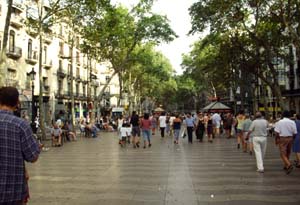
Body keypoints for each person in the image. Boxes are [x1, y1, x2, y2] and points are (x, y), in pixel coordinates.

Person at [0, 87, 40, 204]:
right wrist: (37, 146)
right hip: (13, 191)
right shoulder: (21, 125)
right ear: (17, 103)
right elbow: (33, 157)